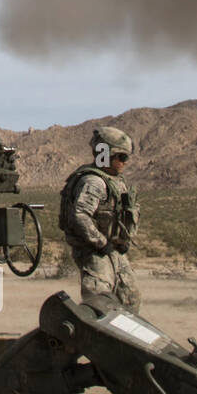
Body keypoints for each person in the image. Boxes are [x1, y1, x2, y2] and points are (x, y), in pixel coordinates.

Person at [58, 126, 141, 313]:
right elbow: (80, 216)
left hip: (113, 250)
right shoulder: (93, 182)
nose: (124, 162)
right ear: (105, 153)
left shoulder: (115, 181)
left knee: (130, 298)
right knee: (99, 303)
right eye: (120, 157)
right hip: (94, 251)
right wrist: (101, 243)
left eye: (125, 157)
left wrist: (121, 241)